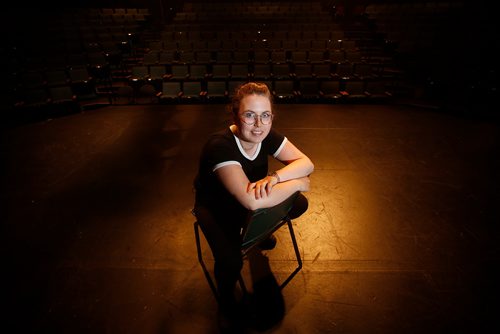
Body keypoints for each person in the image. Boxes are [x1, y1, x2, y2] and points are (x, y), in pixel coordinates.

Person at [193, 82, 314, 330]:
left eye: (265, 116)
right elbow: (250, 200)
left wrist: (276, 177)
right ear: (236, 115)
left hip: (250, 195)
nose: (259, 124)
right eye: (250, 115)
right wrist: (297, 182)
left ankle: (258, 236)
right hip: (216, 207)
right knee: (231, 261)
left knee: (299, 205)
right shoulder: (220, 145)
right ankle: (226, 298)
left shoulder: (266, 135)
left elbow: (306, 162)